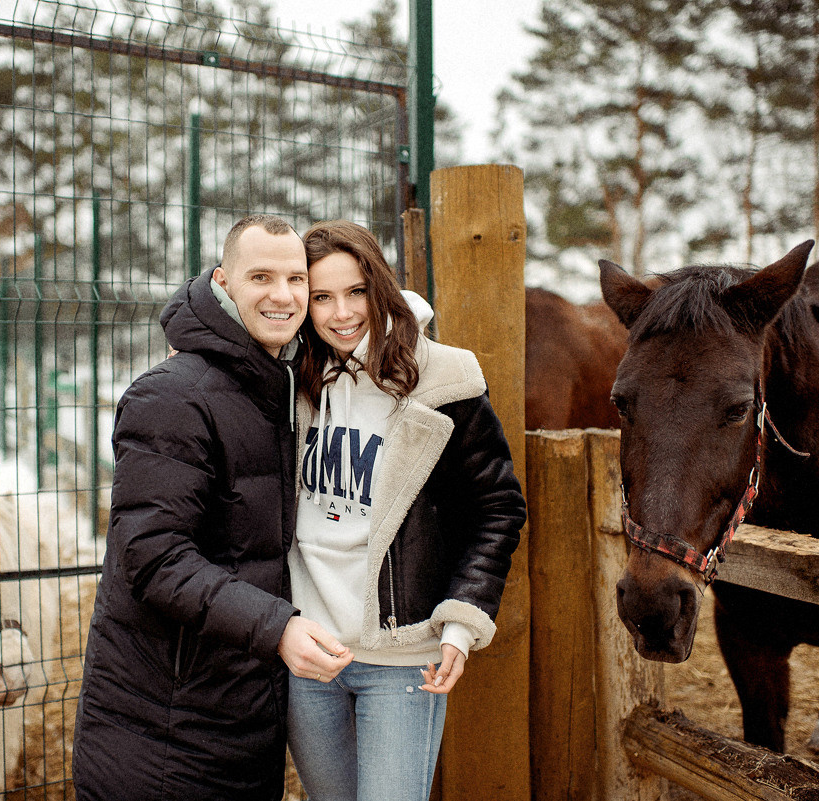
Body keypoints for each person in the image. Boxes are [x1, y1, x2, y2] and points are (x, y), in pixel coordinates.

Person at [72, 215, 353, 801]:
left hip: (237, 717)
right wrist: (279, 628)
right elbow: (153, 559)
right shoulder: (173, 396)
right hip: (162, 730)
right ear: (224, 282)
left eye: (296, 279)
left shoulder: (278, 389)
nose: (283, 295)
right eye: (262, 277)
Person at [286, 220, 527, 801]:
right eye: (321, 297)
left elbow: (497, 507)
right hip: (308, 654)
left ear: (380, 288)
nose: (341, 313)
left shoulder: (445, 376)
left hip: (401, 657)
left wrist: (462, 621)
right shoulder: (292, 377)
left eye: (356, 292)